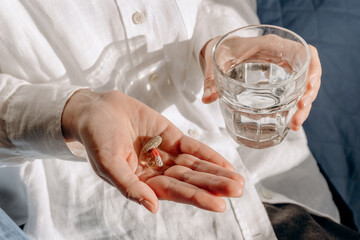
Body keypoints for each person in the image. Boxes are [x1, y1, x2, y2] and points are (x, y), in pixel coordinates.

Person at [0, 0, 358, 239]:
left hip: (260, 173)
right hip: (83, 209)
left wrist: (221, 45)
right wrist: (73, 112)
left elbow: (216, 5)